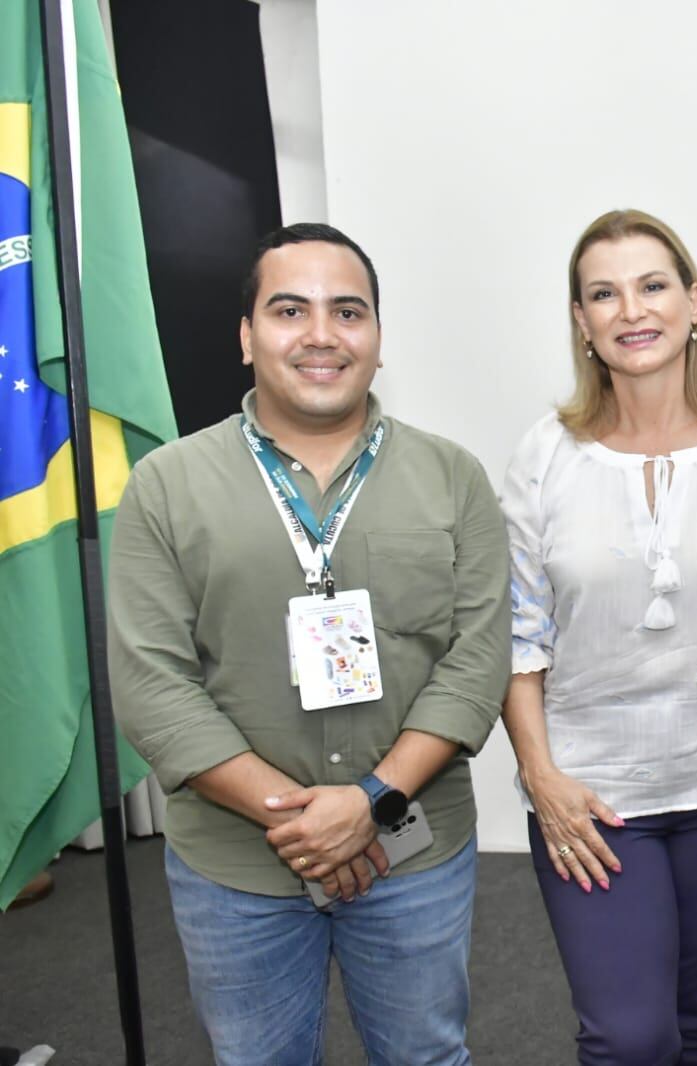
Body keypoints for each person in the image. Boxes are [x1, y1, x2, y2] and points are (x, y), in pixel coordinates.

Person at [108, 223, 511, 1065]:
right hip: (238, 863)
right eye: (290, 310)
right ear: (247, 336)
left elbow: (475, 662)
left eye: (348, 311)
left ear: (376, 337)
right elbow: (153, 683)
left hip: (411, 849)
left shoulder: (453, 478)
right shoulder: (166, 485)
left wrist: (367, 805)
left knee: (427, 1058)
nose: (322, 335)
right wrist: (301, 821)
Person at [500, 209, 697, 1065]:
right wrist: (541, 778)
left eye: (652, 285)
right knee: (631, 1038)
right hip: (592, 800)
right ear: (581, 322)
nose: (631, 310)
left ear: (693, 302)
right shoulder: (545, 454)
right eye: (603, 293)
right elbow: (520, 639)